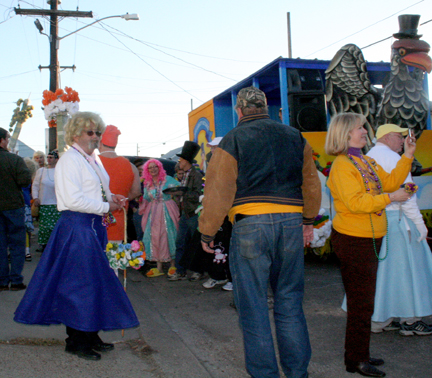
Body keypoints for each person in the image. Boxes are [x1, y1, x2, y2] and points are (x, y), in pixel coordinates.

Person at [199, 86, 321, 378]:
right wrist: (307, 221)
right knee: (289, 301)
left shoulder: (233, 139)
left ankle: (265, 374)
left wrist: (207, 232)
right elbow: (311, 183)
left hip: (251, 223)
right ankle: (297, 373)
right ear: (266, 108)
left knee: (253, 306)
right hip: (291, 222)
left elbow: (219, 189)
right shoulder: (295, 136)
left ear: (240, 111)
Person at [14, 112, 139, 361]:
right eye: (89, 132)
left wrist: (111, 197)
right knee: (80, 286)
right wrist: (107, 207)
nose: (95, 137)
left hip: (93, 227)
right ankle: (76, 340)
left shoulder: (92, 159)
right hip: (77, 227)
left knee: (95, 284)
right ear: (75, 134)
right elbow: (71, 200)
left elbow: (99, 190)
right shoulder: (70, 160)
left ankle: (89, 334)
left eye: (97, 132)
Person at [325, 113, 416, 377]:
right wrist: (391, 198)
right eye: (359, 128)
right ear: (345, 134)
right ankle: (355, 360)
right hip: (354, 240)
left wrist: (408, 155)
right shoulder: (343, 165)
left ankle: (359, 355)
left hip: (367, 238)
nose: (365, 131)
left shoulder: (363, 160)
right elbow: (356, 203)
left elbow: (388, 182)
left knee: (364, 302)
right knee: (361, 303)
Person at [367, 124, 432, 335]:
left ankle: (383, 318)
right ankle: (410, 320)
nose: (402, 140)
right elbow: (408, 193)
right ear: (386, 137)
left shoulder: (368, 157)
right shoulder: (395, 159)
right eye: (399, 136)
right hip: (399, 220)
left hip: (378, 220)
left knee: (384, 272)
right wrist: (420, 224)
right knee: (408, 271)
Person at [0, 128, 31, 291]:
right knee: (17, 245)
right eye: (7, 138)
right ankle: (16, 280)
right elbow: (25, 181)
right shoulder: (14, 160)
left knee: (0, 244)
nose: (7, 141)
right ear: (2, 141)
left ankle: (2, 281)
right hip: (13, 206)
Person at [98, 125, 141, 244]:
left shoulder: (92, 163)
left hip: (94, 221)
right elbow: (136, 191)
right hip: (119, 221)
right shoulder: (131, 166)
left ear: (100, 142)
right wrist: (119, 199)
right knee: (115, 258)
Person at [168, 141, 203, 281]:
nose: (179, 161)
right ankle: (180, 270)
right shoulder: (184, 175)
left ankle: (197, 271)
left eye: (181, 159)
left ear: (187, 161)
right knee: (180, 243)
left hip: (194, 214)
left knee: (196, 244)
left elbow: (199, 195)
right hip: (185, 214)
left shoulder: (197, 175)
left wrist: (182, 193)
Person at [139, 159, 180, 277]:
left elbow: (178, 188)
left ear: (159, 168)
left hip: (167, 209)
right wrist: (141, 203)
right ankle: (159, 267)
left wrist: (176, 195)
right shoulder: (147, 183)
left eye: (155, 167)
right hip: (153, 212)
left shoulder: (168, 179)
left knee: (169, 235)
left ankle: (173, 265)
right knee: (155, 236)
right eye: (150, 168)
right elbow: (146, 197)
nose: (153, 169)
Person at [31, 150, 61, 253]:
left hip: (57, 204)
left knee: (55, 227)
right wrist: (35, 197)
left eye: (51, 157)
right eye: (47, 157)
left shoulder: (60, 171)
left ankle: (55, 247)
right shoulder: (41, 171)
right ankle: (44, 246)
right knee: (44, 227)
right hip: (44, 203)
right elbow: (35, 185)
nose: (48, 159)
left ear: (56, 159)